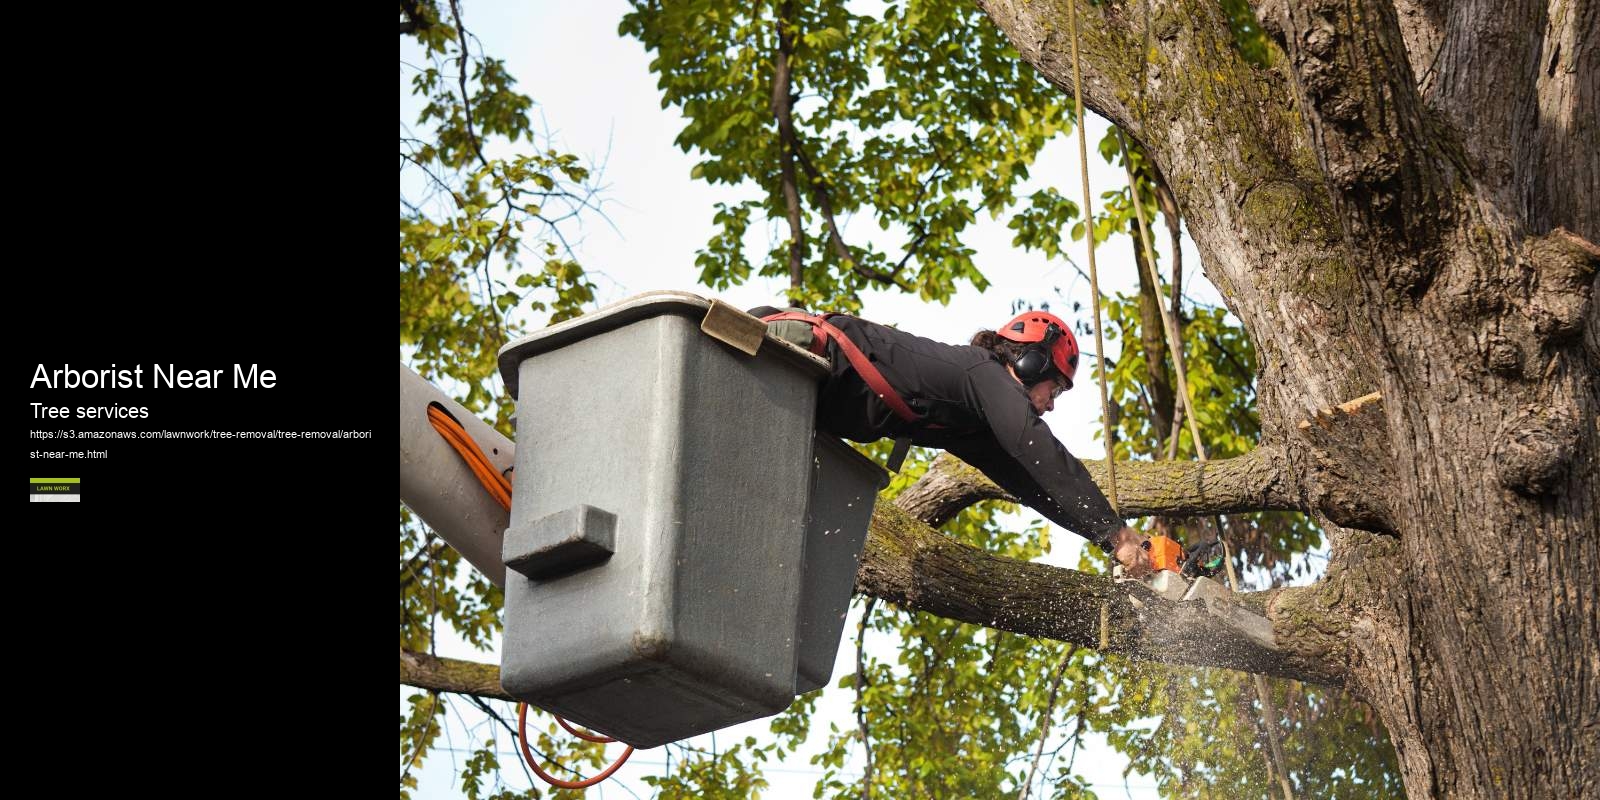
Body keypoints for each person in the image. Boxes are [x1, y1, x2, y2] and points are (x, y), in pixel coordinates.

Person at [752, 305, 1153, 577]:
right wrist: (1118, 533)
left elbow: (1036, 485)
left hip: (802, 395)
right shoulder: (984, 372)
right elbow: (1038, 449)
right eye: (1056, 389)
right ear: (1032, 362)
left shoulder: (973, 422)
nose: (1050, 405)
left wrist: (1107, 538)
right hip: (788, 349)